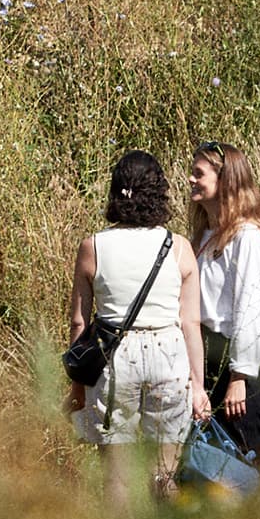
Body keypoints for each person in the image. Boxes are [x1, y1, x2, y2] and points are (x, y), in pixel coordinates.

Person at [68, 149, 210, 489]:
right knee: (164, 471)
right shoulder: (177, 247)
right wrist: (199, 387)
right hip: (169, 354)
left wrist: (77, 387)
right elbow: (190, 323)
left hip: (115, 358)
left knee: (118, 476)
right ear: (159, 192)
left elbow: (79, 323)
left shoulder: (93, 247)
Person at [190, 142, 260, 465]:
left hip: (240, 363)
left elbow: (253, 309)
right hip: (207, 359)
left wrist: (239, 377)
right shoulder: (202, 238)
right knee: (212, 463)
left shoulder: (247, 237)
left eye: (199, 173)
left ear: (224, 180)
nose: (191, 179)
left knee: (250, 458)